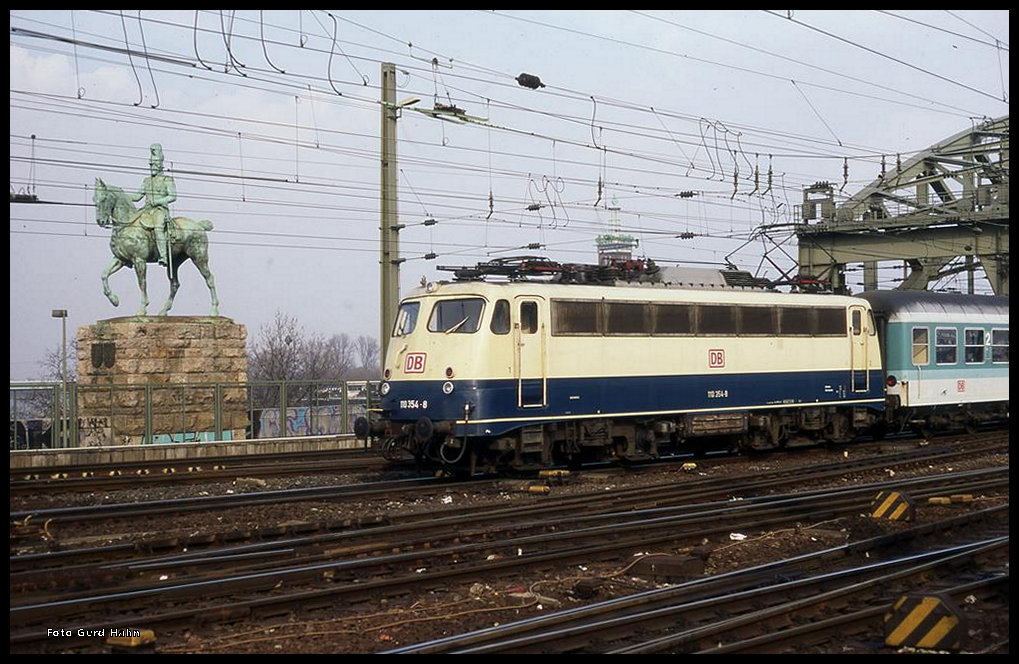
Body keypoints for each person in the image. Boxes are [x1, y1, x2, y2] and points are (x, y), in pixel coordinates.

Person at [132, 143, 177, 267]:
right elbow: (137, 197)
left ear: (160, 165)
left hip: (160, 210)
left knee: (158, 228)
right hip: (146, 210)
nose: (152, 167)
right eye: (151, 164)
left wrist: (158, 201)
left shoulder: (167, 180)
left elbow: (172, 196)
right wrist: (122, 195)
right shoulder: (146, 181)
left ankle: (163, 256)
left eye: (154, 164)